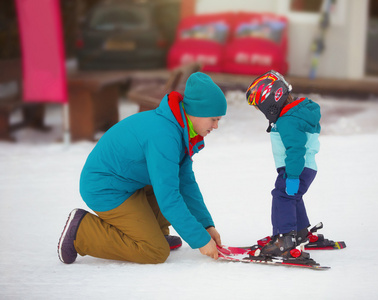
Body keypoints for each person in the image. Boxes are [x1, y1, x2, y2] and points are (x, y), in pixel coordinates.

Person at [58, 72, 226, 264]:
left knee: (172, 182)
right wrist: (200, 240)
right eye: (213, 119)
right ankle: (82, 231)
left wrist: (205, 226)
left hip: (129, 183)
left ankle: (153, 232)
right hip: (106, 188)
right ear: (197, 111)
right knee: (154, 251)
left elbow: (185, 183)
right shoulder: (165, 136)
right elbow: (168, 197)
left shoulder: (180, 129)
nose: (216, 126)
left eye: (218, 120)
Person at [245, 70, 321, 259]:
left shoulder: (288, 121)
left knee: (282, 196)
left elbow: (296, 150)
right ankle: (300, 232)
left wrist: (293, 176)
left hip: (297, 169)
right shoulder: (295, 114)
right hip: (304, 167)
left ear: (270, 101)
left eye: (260, 108)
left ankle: (285, 240)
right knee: (292, 197)